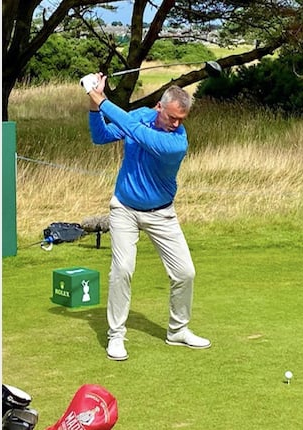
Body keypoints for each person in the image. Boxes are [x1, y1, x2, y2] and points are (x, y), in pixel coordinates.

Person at [80, 72, 211, 361]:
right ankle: (116, 336)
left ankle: (178, 331)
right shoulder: (140, 115)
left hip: (162, 213)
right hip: (124, 209)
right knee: (122, 269)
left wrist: (100, 98)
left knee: (185, 273)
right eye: (172, 117)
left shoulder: (176, 143)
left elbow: (133, 129)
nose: (176, 124)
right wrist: (93, 104)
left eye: (181, 120)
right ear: (159, 108)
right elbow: (100, 136)